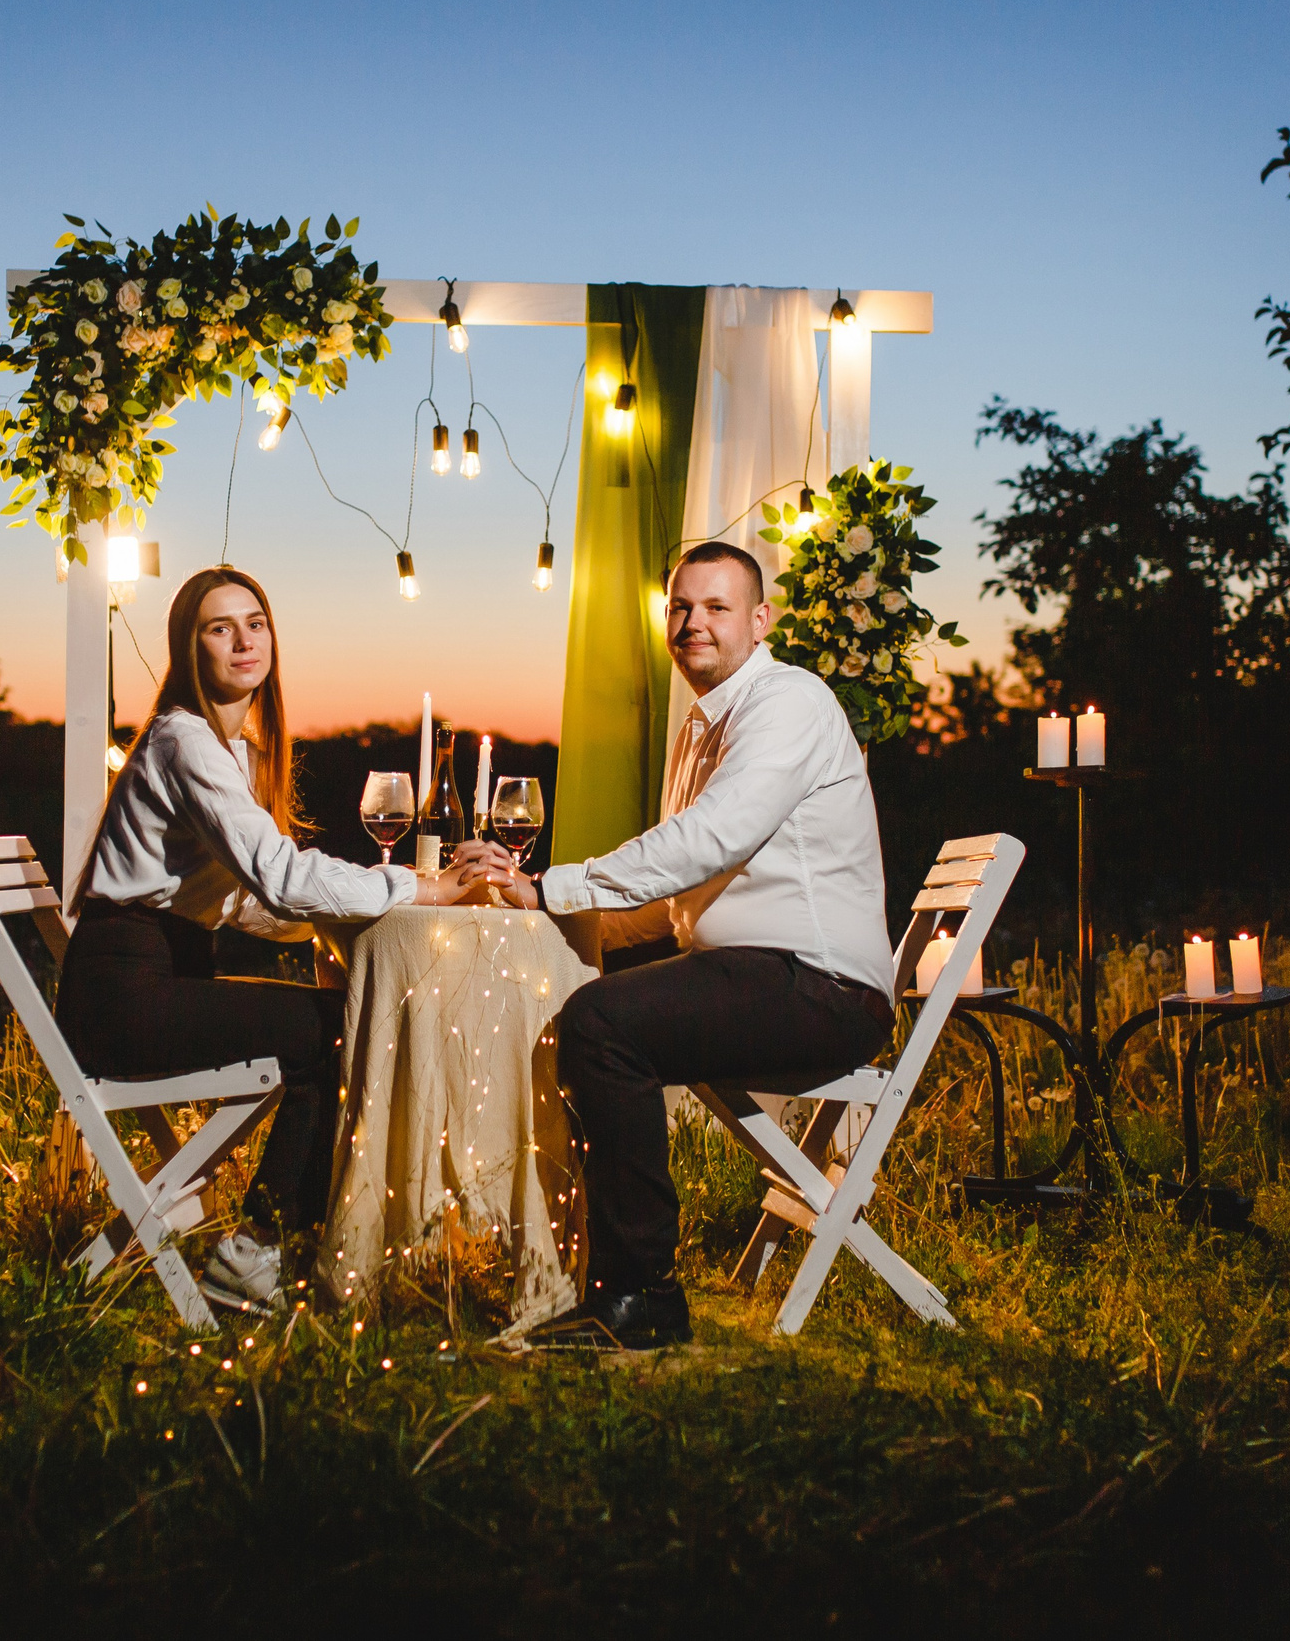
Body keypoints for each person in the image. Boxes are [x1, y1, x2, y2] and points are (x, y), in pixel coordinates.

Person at [471, 542, 894, 1349]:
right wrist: (544, 912)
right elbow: (678, 899)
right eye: (680, 607)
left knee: (602, 1025)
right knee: (581, 1001)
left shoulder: (788, 701)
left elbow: (709, 838)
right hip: (757, 970)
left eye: (717, 606)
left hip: (821, 987)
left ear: (761, 621)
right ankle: (557, 1256)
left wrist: (558, 884)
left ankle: (639, 1296)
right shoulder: (704, 729)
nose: (693, 622)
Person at [60, 566, 487, 1311]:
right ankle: (261, 1248)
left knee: (335, 1016)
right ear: (188, 647)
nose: (243, 640)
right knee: (335, 1028)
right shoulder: (184, 740)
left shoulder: (227, 749)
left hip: (158, 975)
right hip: (121, 999)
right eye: (219, 627)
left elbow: (252, 906)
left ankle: (279, 1241)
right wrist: (419, 887)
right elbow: (281, 875)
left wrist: (340, 922)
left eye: (254, 622)